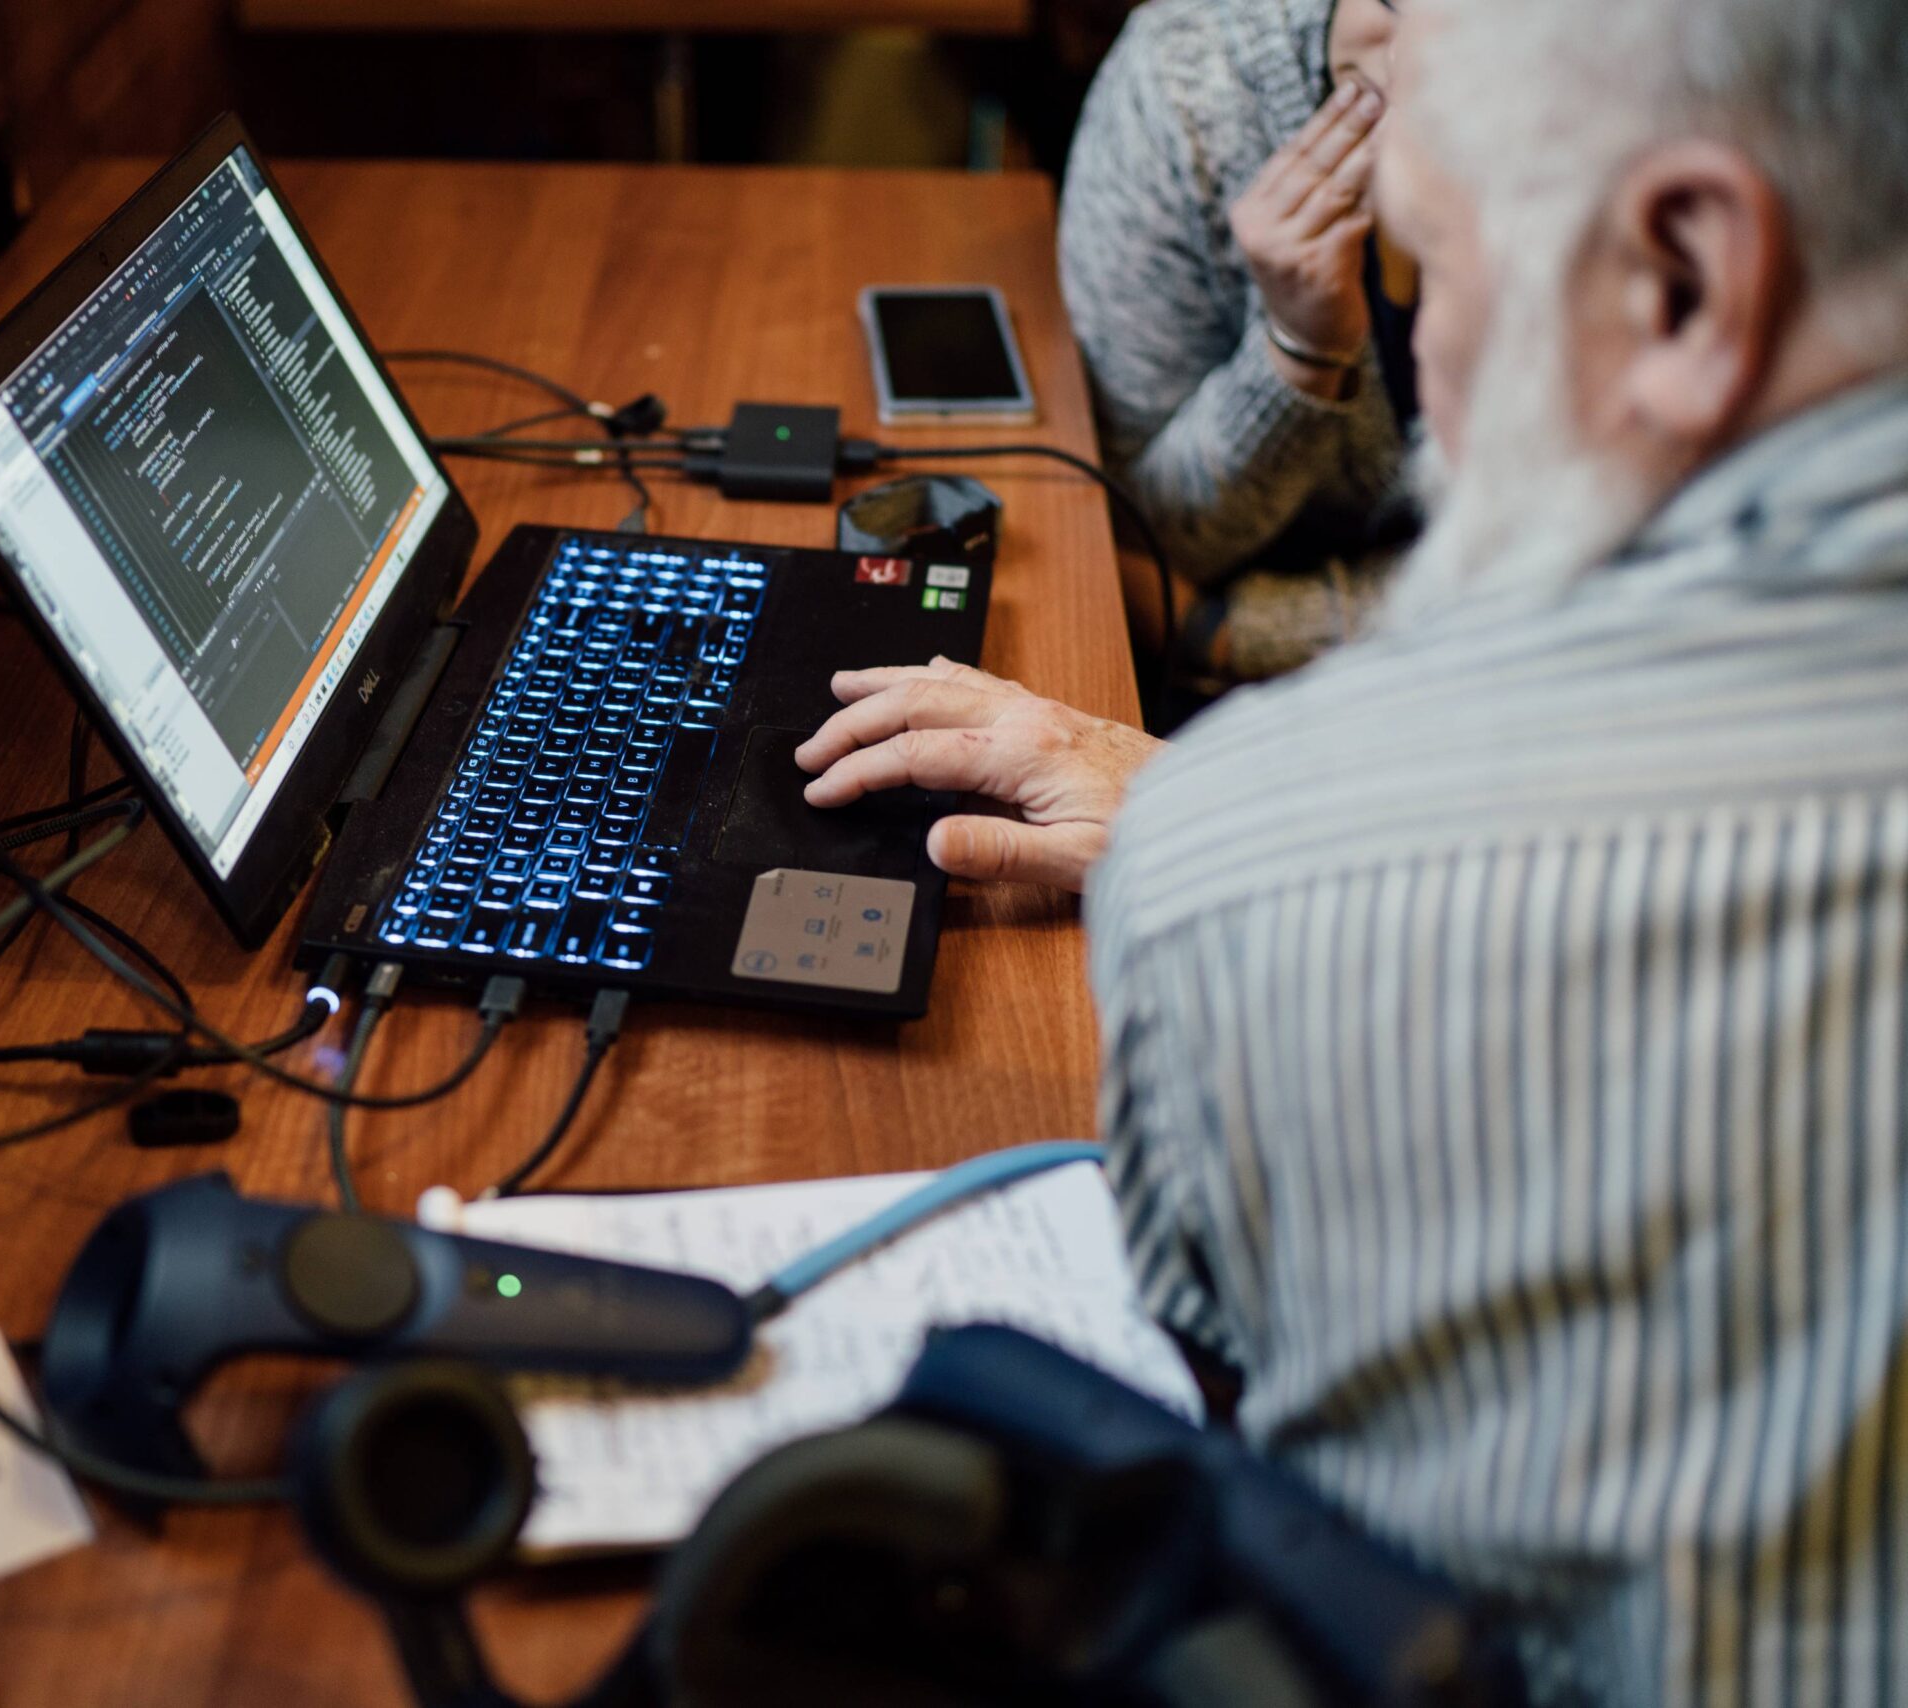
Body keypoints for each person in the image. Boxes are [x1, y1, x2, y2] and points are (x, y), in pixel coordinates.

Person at [802, 0, 1908, 1696]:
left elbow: (1227, 1387)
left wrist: (1228, 827)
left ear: (1682, 278)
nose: (1436, 381)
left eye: (1444, 270)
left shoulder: (1247, 881)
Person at [1061, 0, 1420, 687]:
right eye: (1388, 2)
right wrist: (1299, 356)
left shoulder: (1636, 144)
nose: (1405, 67)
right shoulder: (1189, 86)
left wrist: (1227, 633)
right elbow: (1136, 547)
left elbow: (1602, 577)